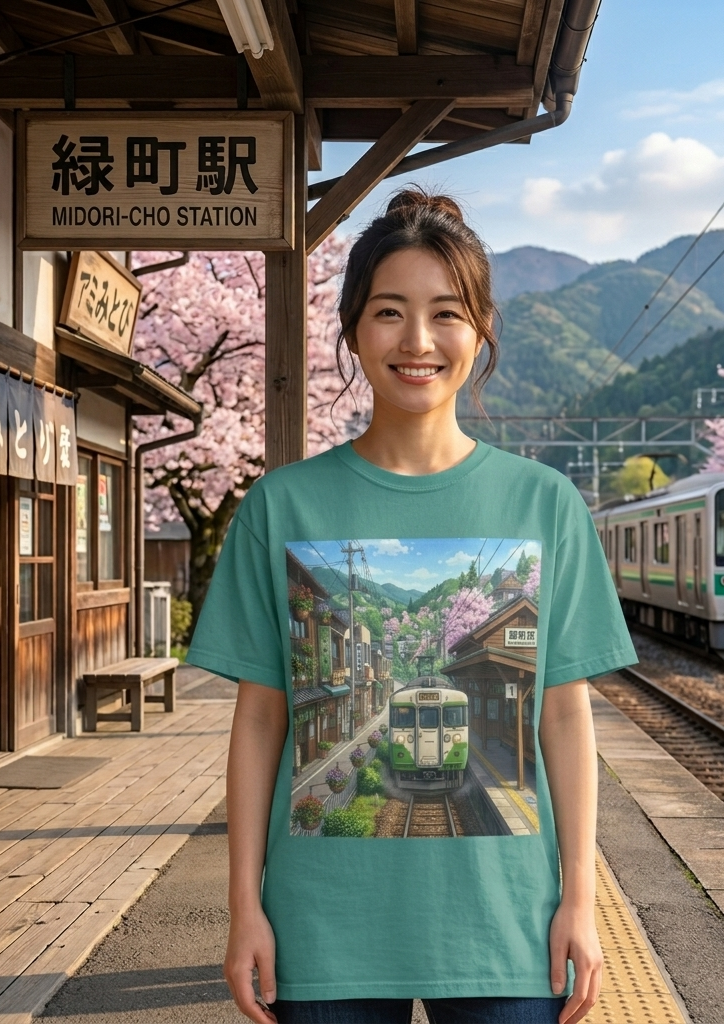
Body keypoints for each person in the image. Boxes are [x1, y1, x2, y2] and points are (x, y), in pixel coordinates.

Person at [187, 189, 637, 1024]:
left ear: (482, 331)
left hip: (509, 929)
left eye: (447, 313)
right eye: (390, 312)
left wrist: (582, 900)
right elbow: (259, 722)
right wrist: (243, 906)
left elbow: (565, 719)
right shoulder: (283, 506)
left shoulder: (546, 505)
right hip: (321, 929)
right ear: (353, 328)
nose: (418, 342)